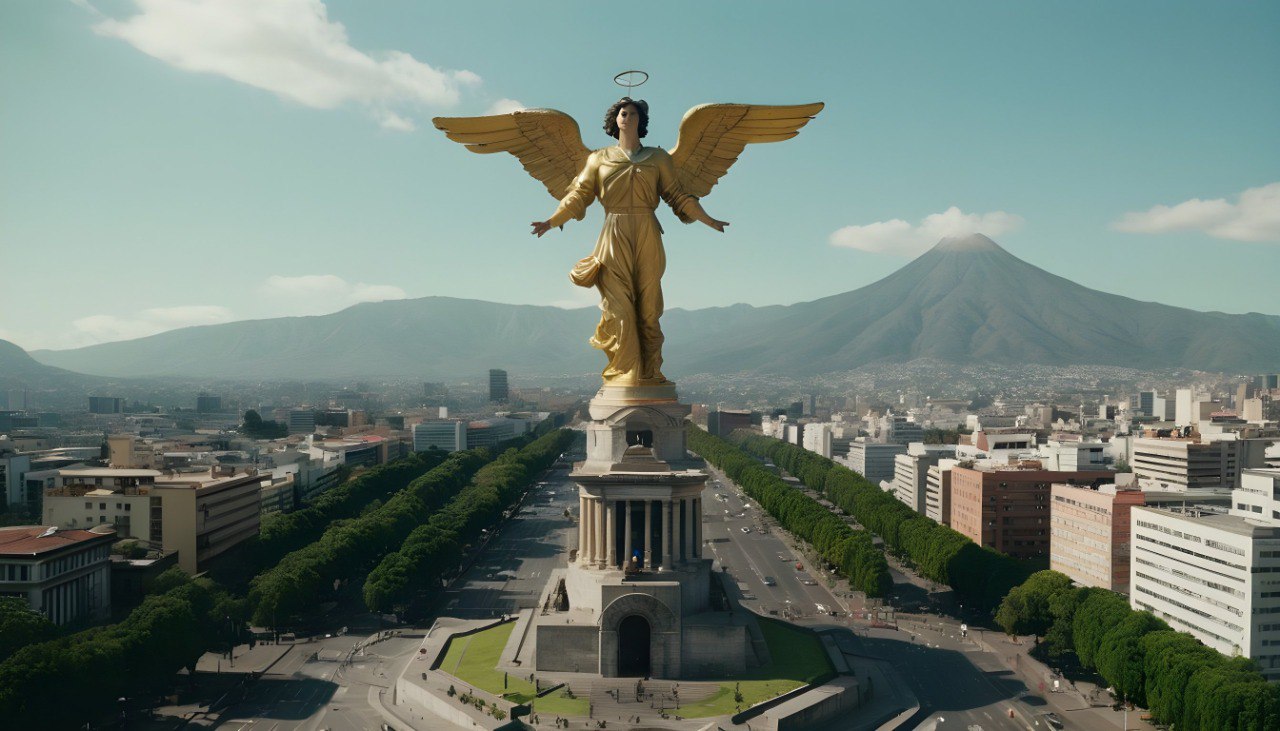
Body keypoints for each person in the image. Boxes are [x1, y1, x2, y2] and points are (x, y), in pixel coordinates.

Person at [531, 98, 728, 386]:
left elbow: (677, 196)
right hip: (613, 233)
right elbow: (579, 195)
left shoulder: (659, 159)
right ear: (615, 120)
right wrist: (552, 221)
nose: (627, 117)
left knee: (649, 310)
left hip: (647, 232)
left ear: (641, 120)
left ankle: (650, 372)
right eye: (623, 113)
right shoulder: (597, 159)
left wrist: (708, 220)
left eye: (633, 113)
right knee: (620, 309)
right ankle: (626, 373)